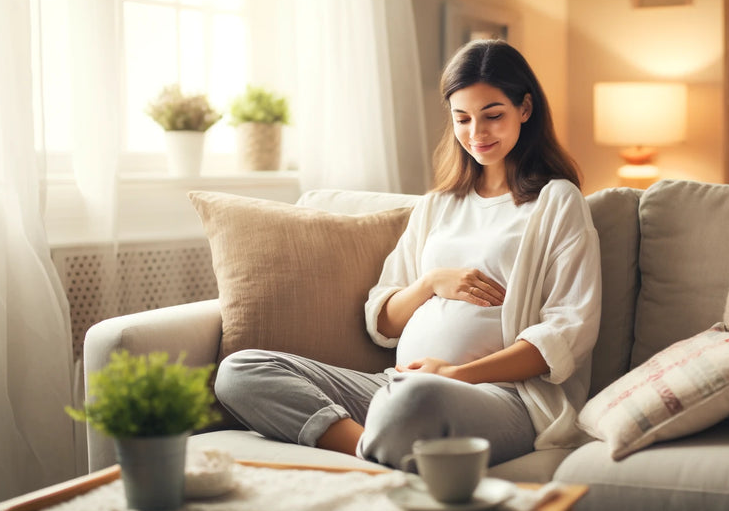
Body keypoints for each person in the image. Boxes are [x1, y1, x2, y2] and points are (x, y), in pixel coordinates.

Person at [214, 39, 602, 469]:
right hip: (398, 387)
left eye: (493, 115)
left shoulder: (556, 201)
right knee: (240, 370)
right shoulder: (438, 204)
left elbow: (568, 332)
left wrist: (454, 375)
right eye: (463, 118)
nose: (477, 133)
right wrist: (431, 283)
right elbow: (383, 320)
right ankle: (374, 450)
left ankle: (375, 445)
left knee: (416, 399)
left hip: (499, 396)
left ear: (525, 109)